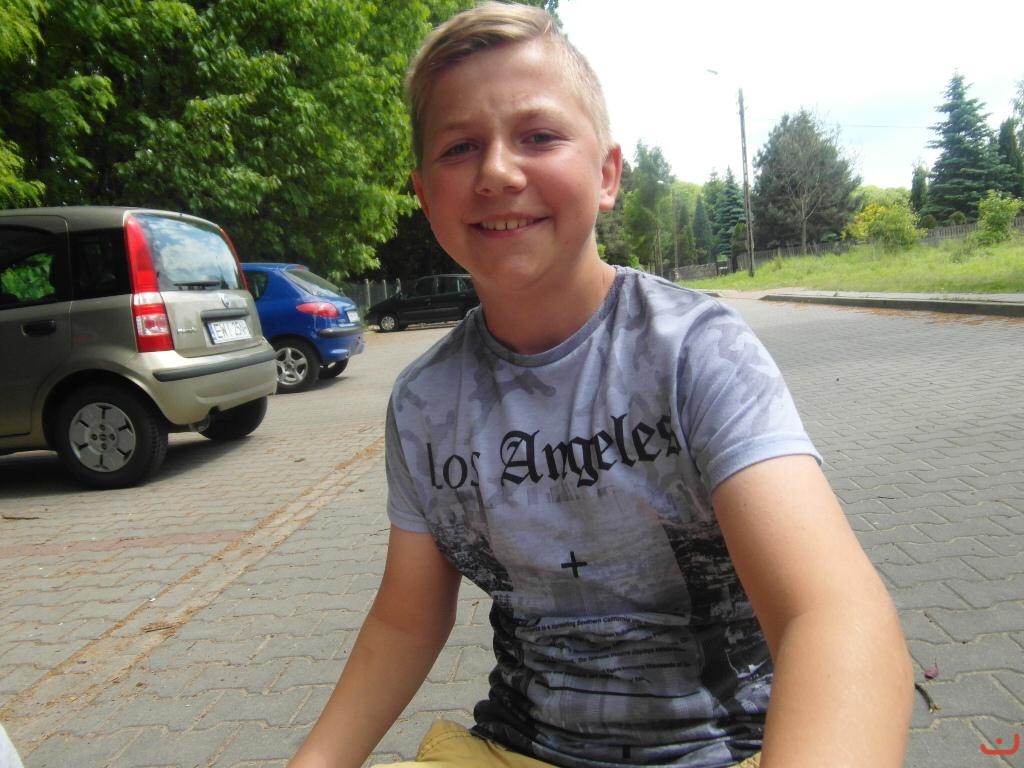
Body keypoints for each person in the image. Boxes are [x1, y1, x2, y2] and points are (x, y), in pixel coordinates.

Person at [288, 3, 913, 767]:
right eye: (460, 147)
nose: (497, 171)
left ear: (608, 173)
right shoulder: (424, 403)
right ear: (424, 195)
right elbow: (405, 620)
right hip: (520, 749)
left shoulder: (692, 351)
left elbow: (835, 613)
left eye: (539, 136)